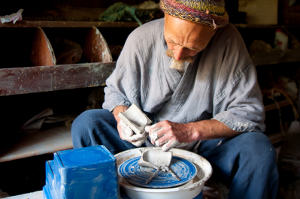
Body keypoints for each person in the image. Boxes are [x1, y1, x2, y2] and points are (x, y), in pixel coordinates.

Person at [71, 0, 279, 198]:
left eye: (192, 48)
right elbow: (116, 94)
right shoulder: (141, 38)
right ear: (165, 16)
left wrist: (189, 131)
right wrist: (122, 118)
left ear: (214, 31)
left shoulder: (228, 42)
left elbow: (248, 113)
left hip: (203, 146)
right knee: (87, 124)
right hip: (144, 142)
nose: (178, 55)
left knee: (258, 149)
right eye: (172, 42)